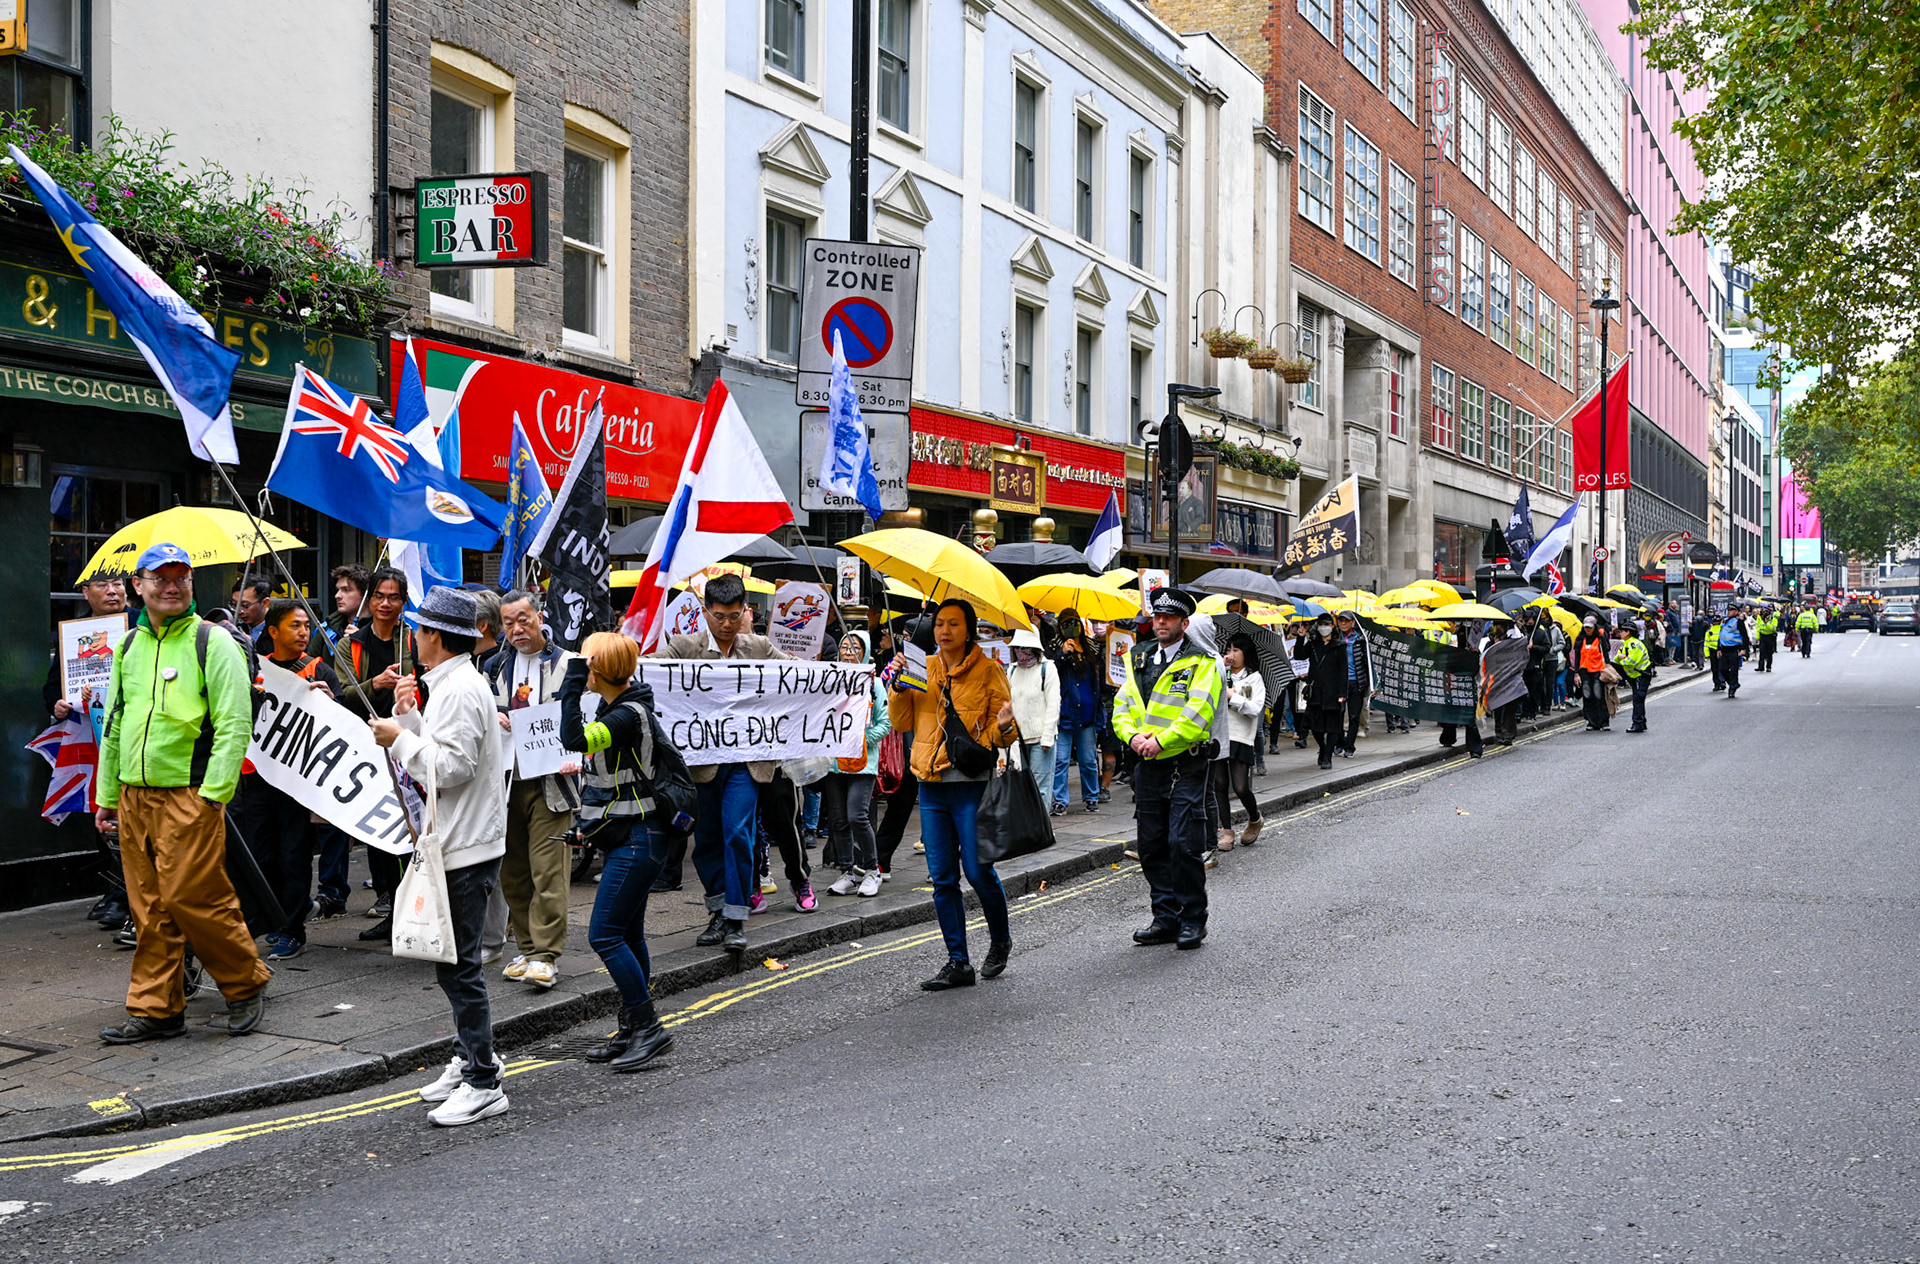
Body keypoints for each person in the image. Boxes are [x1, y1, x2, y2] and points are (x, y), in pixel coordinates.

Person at [93, 543, 272, 1044]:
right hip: (133, 795)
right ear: (139, 586)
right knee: (148, 907)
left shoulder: (213, 642)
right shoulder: (128, 646)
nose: (171, 587)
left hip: (189, 793)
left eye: (181, 578)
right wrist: (108, 794)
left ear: (192, 584)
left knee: (195, 897)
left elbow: (236, 721)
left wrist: (212, 795)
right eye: (160, 578)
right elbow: (116, 724)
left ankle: (243, 984)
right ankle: (158, 1009)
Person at [370, 587, 511, 1127]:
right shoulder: (452, 685)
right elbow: (446, 757)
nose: (413, 636)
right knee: (451, 964)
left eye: (417, 629)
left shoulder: (458, 689)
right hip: (463, 839)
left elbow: (450, 768)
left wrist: (396, 738)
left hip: (466, 846)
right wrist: (406, 720)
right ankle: (473, 1056)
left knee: (458, 967)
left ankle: (483, 1079)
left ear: (431, 636)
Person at [556, 632, 675, 1073]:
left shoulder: (626, 714)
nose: (582, 670)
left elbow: (574, 739)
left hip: (640, 840)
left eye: (587, 665)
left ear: (598, 670)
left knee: (603, 935)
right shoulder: (617, 708)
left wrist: (569, 681)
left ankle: (649, 1028)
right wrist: (588, 828)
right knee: (628, 935)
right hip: (631, 836)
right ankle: (631, 1027)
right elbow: (612, 785)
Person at [887, 598, 1017, 988]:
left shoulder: (990, 671)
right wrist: (896, 687)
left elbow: (999, 734)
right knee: (942, 878)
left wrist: (1007, 725)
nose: (944, 631)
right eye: (940, 623)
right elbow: (902, 721)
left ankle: (1000, 939)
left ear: (969, 629)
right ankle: (958, 962)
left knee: (978, 872)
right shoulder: (920, 667)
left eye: (954, 624)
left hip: (971, 786)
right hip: (930, 785)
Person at [659, 572, 791, 955]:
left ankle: (736, 918)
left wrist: (847, 675)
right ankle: (717, 911)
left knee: (738, 833)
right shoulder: (684, 647)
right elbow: (648, 669)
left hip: (745, 764)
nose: (727, 624)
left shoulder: (761, 647)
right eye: (719, 616)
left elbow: (800, 676)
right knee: (707, 841)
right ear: (705, 612)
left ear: (745, 611)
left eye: (735, 616)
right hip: (700, 764)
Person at [1115, 588, 1222, 950]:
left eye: (1169, 618)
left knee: (1182, 843)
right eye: (1157, 616)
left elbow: (1198, 712)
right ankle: (1165, 917)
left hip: (1185, 763)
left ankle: (1193, 918)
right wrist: (1132, 738)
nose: (1160, 622)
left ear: (1184, 623)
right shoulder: (1138, 657)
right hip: (1147, 765)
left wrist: (1161, 741)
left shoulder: (1202, 662)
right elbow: (1123, 705)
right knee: (1151, 845)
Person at [236, 601, 342, 960]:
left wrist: (329, 703)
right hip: (257, 780)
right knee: (260, 856)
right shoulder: (256, 670)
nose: (302, 633)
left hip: (297, 782)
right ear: (273, 632)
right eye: (294, 626)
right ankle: (271, 917)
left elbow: (340, 725)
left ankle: (292, 927)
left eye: (305, 626)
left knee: (294, 855)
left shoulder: (319, 671)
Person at [486, 589, 581, 990]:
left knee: (548, 871)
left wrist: (581, 753)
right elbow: (485, 713)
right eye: (508, 623)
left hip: (552, 784)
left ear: (541, 616)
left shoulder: (569, 665)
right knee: (514, 873)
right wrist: (498, 717)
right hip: (507, 783)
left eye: (523, 619)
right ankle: (526, 947)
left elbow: (584, 715)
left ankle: (546, 955)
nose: (516, 629)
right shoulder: (494, 666)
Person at [46, 573, 133, 933]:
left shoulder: (142, 625)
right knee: (102, 811)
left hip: (135, 737)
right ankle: (115, 890)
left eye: (118, 584)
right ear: (85, 592)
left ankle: (124, 896)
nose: (112, 591)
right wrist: (57, 704)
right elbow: (54, 684)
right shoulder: (73, 634)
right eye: (103, 585)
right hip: (93, 740)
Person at [335, 566, 413, 939]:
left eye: (393, 597)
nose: (386, 603)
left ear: (403, 601)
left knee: (411, 827)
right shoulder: (352, 642)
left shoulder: (413, 640)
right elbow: (340, 693)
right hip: (364, 747)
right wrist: (375, 682)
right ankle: (388, 902)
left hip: (409, 744)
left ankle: (413, 905)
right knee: (377, 828)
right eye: (380, 596)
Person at [821, 631, 890, 898]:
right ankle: (848, 871)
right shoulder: (830, 683)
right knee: (838, 820)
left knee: (856, 815)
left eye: (855, 647)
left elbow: (885, 724)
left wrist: (859, 740)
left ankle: (872, 870)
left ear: (866, 651)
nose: (849, 652)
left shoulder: (874, 685)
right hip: (834, 763)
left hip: (862, 763)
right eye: (844, 647)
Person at [1051, 610, 1104, 816]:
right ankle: (1060, 800)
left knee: (1089, 759)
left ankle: (1092, 796)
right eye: (1066, 623)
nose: (1072, 626)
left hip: (1088, 711)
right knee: (1061, 760)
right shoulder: (1054, 647)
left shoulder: (1092, 647)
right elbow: (1050, 671)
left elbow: (1098, 678)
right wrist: (1062, 654)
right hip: (1064, 712)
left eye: (1075, 622)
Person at [1218, 634, 1268, 846]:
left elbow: (1255, 708)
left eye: (1236, 650)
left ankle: (1255, 818)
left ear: (1246, 654)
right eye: (1229, 649)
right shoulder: (1220, 672)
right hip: (1219, 734)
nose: (1232, 654)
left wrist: (1233, 696)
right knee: (1219, 784)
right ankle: (1227, 831)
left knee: (1240, 787)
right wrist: (1220, 667)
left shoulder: (1253, 678)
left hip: (1241, 736)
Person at [1006, 627, 1058, 805]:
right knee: (1020, 789)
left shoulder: (1047, 669)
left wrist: (1047, 738)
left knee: (1040, 790)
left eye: (1025, 647)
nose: (1021, 651)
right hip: (1017, 740)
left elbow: (1053, 704)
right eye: (1018, 647)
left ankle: (1042, 831)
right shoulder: (1012, 671)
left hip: (1040, 741)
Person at [1302, 615, 1348, 770]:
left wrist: (1343, 692)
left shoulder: (1339, 646)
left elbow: (1343, 671)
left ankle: (1328, 755)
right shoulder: (1313, 644)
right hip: (1316, 692)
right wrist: (1300, 637)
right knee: (1316, 727)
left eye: (1327, 624)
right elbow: (1299, 655)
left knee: (1333, 727)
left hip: (1333, 692)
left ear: (1332, 626)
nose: (1324, 627)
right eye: (1321, 624)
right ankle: (1322, 747)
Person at [1333, 610, 1373, 757]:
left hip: (1356, 682)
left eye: (1346, 621)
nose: (1343, 623)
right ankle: (1338, 743)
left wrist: (1370, 683)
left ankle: (1349, 746)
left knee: (1354, 716)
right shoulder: (1335, 637)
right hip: (1338, 683)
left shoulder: (1361, 639)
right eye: (1340, 620)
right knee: (1338, 713)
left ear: (1352, 623)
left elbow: (1367, 663)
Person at [1573, 615, 1613, 731]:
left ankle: (1603, 721)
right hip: (1584, 671)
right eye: (1586, 627)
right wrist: (1576, 673)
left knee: (1598, 695)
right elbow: (1577, 657)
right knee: (1587, 695)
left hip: (1598, 670)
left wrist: (1608, 668)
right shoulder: (1581, 640)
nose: (1588, 629)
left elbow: (1605, 654)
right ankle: (1591, 722)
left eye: (1590, 627)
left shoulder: (1600, 638)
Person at [1613, 621, 1653, 732]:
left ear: (1628, 632)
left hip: (1642, 674)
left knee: (1638, 699)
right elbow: (1616, 658)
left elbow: (1632, 661)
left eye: (1622, 631)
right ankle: (1641, 722)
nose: (1620, 633)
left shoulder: (1634, 644)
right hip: (1636, 676)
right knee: (1638, 698)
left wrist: (1622, 659)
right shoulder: (1625, 643)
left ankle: (1638, 723)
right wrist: (1621, 658)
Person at [327, 563, 371, 643]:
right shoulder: (327, 628)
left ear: (365, 594)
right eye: (338, 590)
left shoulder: (380, 628)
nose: (337, 596)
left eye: (346, 590)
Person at [1717, 606, 1752, 699]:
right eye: (1728, 610)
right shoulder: (1724, 621)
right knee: (1722, 669)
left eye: (1731, 610)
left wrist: (1744, 649)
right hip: (1724, 649)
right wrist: (1718, 649)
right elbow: (1721, 635)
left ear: (1736, 612)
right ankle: (1734, 684)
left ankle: (1732, 689)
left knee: (1733, 670)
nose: (1729, 612)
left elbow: (1745, 636)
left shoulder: (1738, 622)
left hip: (1734, 649)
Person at [230, 575, 272, 643]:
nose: (239, 611)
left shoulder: (278, 632)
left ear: (265, 603)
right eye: (235, 605)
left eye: (245, 605)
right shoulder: (236, 630)